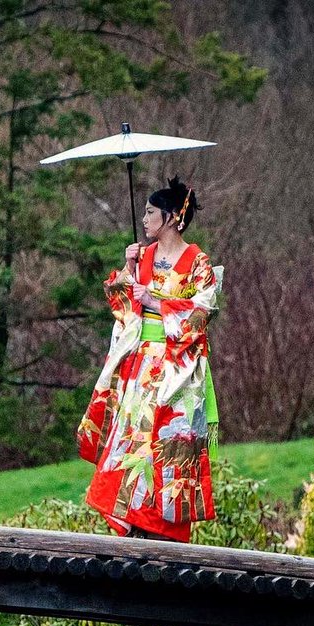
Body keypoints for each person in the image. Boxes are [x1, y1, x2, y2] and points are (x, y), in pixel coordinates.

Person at [77, 177, 220, 542]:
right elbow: (123, 307)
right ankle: (131, 517)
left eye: (151, 212)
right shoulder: (143, 257)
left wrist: (155, 300)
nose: (144, 219)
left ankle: (161, 524)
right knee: (132, 437)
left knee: (165, 442)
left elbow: (202, 312)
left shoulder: (197, 262)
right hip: (141, 366)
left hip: (175, 371)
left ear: (172, 218)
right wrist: (127, 272)